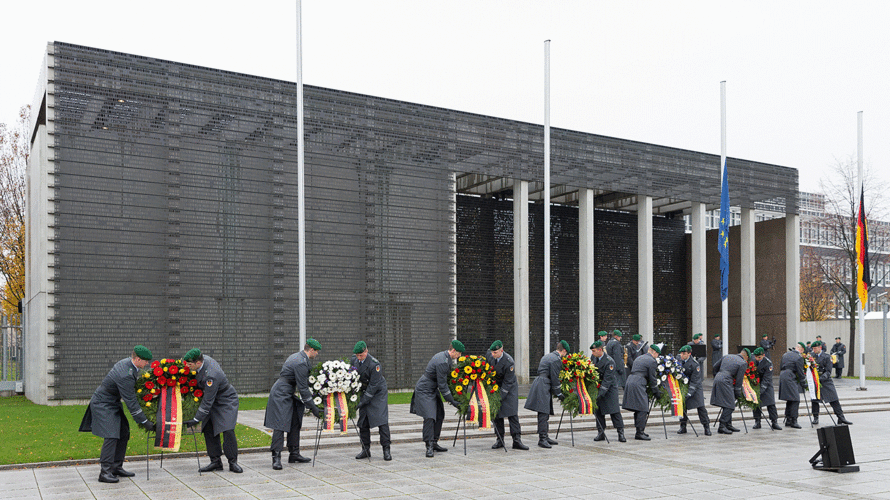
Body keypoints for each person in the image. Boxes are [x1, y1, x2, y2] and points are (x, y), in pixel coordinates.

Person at [78, 346, 155, 483]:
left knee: (123, 432)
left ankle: (116, 467)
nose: (147, 363)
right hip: (103, 403)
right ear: (137, 359)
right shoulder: (125, 373)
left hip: (112, 402)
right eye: (146, 361)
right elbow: (131, 401)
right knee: (111, 435)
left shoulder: (129, 364)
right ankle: (105, 472)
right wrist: (144, 421)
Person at [264, 339, 323, 470]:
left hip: (288, 392)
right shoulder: (301, 362)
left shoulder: (298, 356)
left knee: (295, 421)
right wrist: (313, 408)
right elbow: (303, 388)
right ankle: (276, 457)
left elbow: (306, 382)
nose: (317, 354)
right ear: (311, 350)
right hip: (281, 394)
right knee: (280, 425)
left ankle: (294, 454)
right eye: (316, 351)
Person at [182, 348, 242, 473]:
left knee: (227, 430)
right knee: (208, 428)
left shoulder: (211, 375)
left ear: (198, 363)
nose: (187, 366)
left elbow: (207, 401)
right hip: (211, 398)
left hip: (225, 401)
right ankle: (215, 462)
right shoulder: (201, 360)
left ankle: (233, 462)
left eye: (189, 364)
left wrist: (196, 419)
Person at [411, 340, 464, 457]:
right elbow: (443, 385)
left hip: (432, 389)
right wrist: (453, 401)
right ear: (453, 350)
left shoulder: (445, 357)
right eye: (459, 353)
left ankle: (434, 442)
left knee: (439, 414)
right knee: (430, 417)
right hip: (425, 389)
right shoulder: (442, 362)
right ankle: (428, 445)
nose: (459, 356)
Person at [350, 341, 391, 461]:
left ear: (366, 351)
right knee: (363, 421)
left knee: (381, 421)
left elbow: (373, 386)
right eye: (357, 355)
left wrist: (362, 402)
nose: (359, 357)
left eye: (361, 355)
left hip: (377, 393)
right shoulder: (354, 360)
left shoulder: (374, 364)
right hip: (364, 391)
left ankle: (386, 449)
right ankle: (365, 449)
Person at [524, 340, 569, 448]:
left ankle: (545, 436)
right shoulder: (556, 360)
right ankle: (542, 439)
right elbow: (554, 377)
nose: (565, 355)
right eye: (566, 353)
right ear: (563, 350)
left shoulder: (548, 356)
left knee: (545, 412)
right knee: (543, 413)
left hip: (541, 383)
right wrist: (559, 393)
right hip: (543, 385)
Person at [486, 340, 528, 450]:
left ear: (501, 350)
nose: (493, 354)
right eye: (492, 352)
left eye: (495, 352)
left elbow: (508, 382)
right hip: (496, 386)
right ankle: (500, 439)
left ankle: (517, 440)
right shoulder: (490, 356)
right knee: (497, 414)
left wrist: (500, 397)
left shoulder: (509, 362)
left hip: (509, 388)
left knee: (512, 414)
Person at [623, 343, 661, 441]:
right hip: (638, 383)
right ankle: (639, 433)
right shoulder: (652, 361)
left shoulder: (639, 358)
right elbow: (652, 379)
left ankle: (640, 431)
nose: (657, 357)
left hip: (631, 380)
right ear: (655, 353)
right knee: (643, 408)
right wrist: (656, 392)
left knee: (638, 408)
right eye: (658, 355)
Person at [590, 341, 626, 442]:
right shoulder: (593, 358)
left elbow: (607, 380)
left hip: (609, 389)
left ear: (600, 350)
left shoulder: (609, 361)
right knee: (599, 412)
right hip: (598, 387)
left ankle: (620, 433)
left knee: (614, 412)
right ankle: (600, 432)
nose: (592, 353)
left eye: (594, 351)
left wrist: (600, 393)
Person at [810, 341, 852, 425]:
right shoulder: (811, 356)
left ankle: (841, 417)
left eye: (815, 348)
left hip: (825, 381)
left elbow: (828, 371)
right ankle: (815, 417)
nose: (814, 350)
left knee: (834, 399)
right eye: (813, 349)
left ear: (820, 348)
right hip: (815, 381)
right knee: (814, 400)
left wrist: (820, 378)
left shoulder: (826, 357)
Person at [710, 350, 747, 435]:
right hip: (726, 380)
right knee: (730, 405)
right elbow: (739, 380)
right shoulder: (743, 363)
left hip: (718, 377)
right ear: (746, 357)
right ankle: (722, 426)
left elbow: (715, 366)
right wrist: (738, 392)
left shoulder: (727, 356)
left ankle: (728, 424)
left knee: (726, 403)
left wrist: (717, 375)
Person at [677, 345, 711, 436]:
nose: (682, 355)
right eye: (681, 353)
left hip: (695, 387)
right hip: (684, 386)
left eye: (684, 353)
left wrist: (690, 392)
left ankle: (706, 426)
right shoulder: (678, 360)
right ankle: (683, 426)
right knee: (682, 406)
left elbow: (695, 380)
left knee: (701, 407)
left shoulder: (695, 364)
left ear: (689, 354)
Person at [751, 347, 781, 431]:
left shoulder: (768, 363)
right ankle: (757, 421)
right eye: (756, 357)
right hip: (756, 383)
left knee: (771, 404)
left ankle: (774, 422)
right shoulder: (753, 360)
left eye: (759, 357)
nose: (757, 359)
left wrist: (762, 389)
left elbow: (767, 378)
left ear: (763, 355)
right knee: (756, 404)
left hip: (767, 385)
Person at [779, 343, 807, 429]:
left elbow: (780, 366)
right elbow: (800, 371)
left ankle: (788, 419)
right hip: (790, 376)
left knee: (790, 399)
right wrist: (803, 382)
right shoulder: (799, 357)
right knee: (795, 399)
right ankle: (794, 420)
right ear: (801, 350)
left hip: (783, 375)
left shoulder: (785, 354)